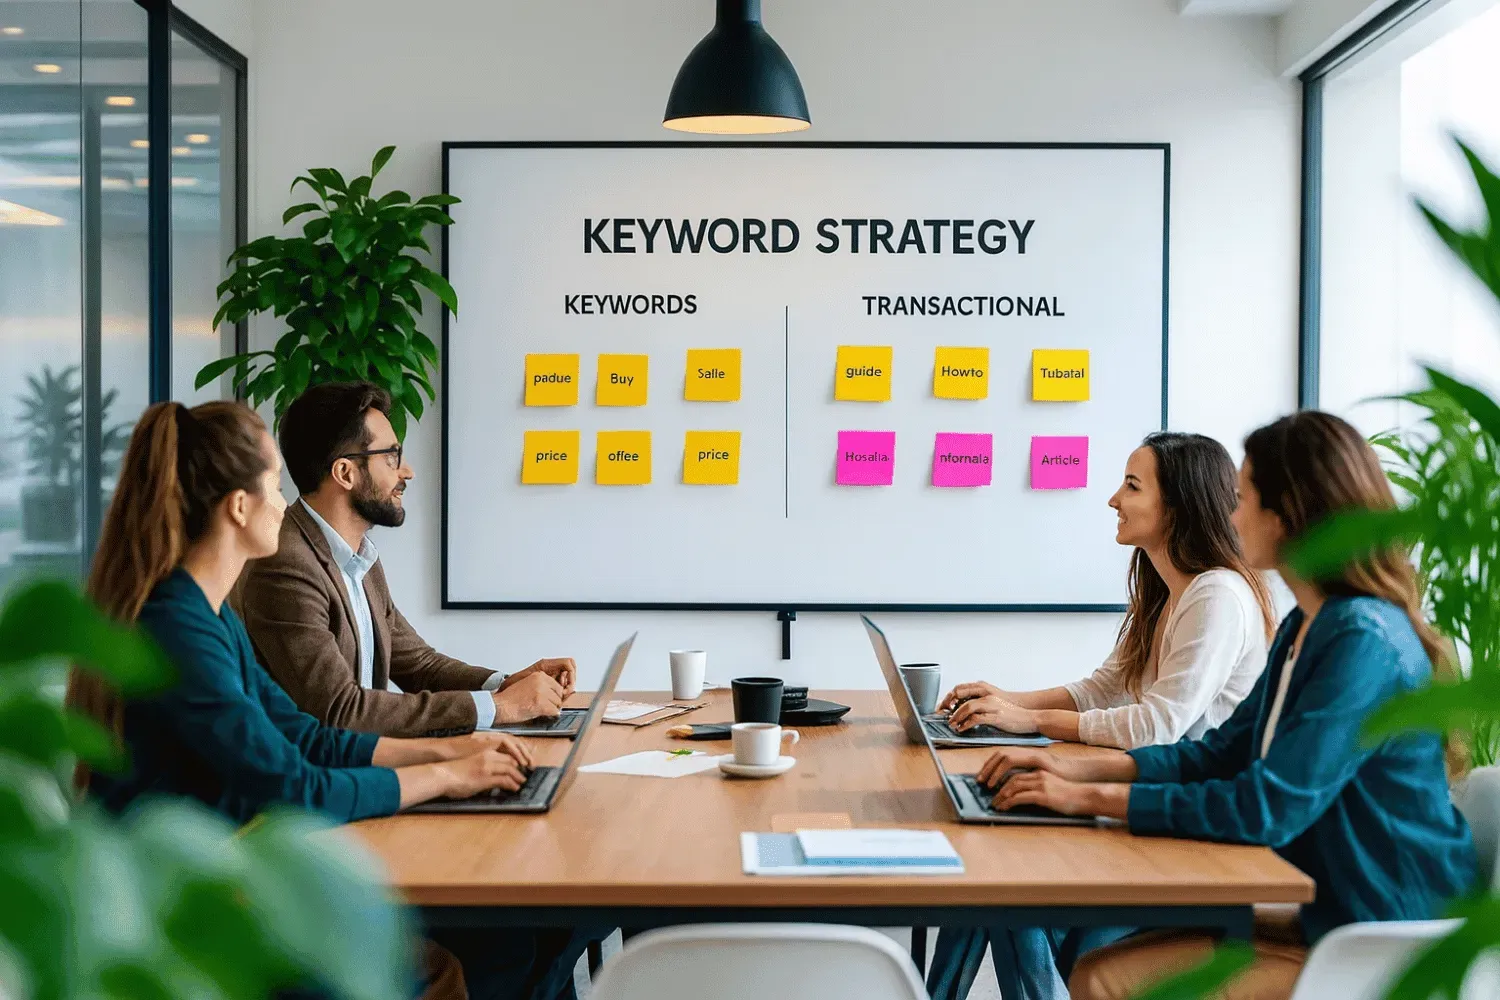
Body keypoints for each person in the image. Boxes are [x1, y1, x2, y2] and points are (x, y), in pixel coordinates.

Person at [67, 400, 594, 1000]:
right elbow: (294, 783)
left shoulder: (209, 616)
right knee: (484, 950)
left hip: (227, 874)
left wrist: (457, 749)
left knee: (528, 938)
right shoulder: (179, 627)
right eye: (271, 484)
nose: (283, 500)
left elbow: (310, 737)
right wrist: (449, 775)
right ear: (238, 508)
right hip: (185, 915)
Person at [975, 410, 1476, 1000]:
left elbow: (1267, 807)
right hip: (1328, 910)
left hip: (1380, 937)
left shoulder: (1361, 640)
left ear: (1287, 513)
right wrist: (1069, 768)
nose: (1230, 514)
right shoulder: (1307, 625)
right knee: (1098, 958)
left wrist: (1088, 797)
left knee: (1100, 976)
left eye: (1242, 498)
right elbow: (1218, 753)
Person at [926, 432, 1279, 1000]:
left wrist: (1030, 722)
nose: (1113, 499)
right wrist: (1010, 700)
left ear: (1179, 505)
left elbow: (1157, 725)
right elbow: (1103, 688)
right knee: (988, 865)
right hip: (1154, 812)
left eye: (1132, 486)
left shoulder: (1218, 595)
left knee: (1003, 889)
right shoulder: (1169, 592)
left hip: (1193, 842)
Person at [233, 381, 572, 738]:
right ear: (345, 473)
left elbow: (419, 664)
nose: (406, 471)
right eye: (391, 456)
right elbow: (340, 710)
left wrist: (505, 685)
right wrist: (500, 708)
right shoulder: (285, 565)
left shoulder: (357, 556)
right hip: (316, 782)